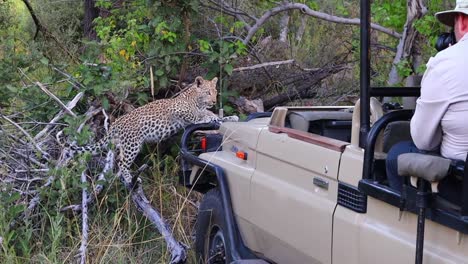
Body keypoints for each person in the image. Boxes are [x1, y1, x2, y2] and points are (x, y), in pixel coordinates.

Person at [386, 0, 468, 204]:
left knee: (396, 154)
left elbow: (424, 141)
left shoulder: (446, 63)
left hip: (462, 185)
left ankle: (406, 230)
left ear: (462, 22)